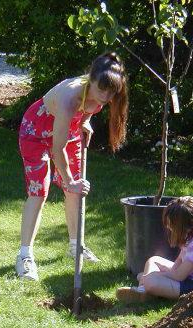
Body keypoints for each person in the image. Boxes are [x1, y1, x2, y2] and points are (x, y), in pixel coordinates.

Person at [16, 51, 129, 281]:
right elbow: (58, 150)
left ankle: (76, 246)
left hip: (68, 130)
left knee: (75, 193)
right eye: (101, 90)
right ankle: (24, 257)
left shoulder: (100, 91)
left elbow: (89, 107)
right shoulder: (70, 97)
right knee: (39, 191)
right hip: (36, 131)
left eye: (110, 93)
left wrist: (85, 122)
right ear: (90, 78)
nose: (105, 97)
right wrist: (69, 180)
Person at [116, 196, 193, 303]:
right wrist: (163, 273)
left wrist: (156, 275)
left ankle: (146, 287)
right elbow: (180, 260)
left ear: (185, 225)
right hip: (192, 277)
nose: (169, 227)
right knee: (154, 260)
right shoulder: (190, 234)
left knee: (150, 279)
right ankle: (144, 289)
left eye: (172, 224)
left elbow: (179, 276)